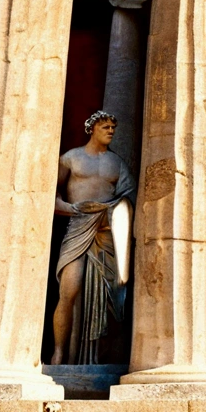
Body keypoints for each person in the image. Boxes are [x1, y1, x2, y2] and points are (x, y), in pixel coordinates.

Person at [52, 111, 135, 365]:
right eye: (105, 126)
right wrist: (72, 209)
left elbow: (129, 198)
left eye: (113, 127)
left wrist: (113, 211)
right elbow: (50, 194)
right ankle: (58, 351)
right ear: (92, 129)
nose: (110, 130)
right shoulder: (71, 158)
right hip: (78, 227)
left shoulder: (117, 163)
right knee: (69, 290)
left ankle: (102, 355)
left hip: (107, 232)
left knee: (113, 295)